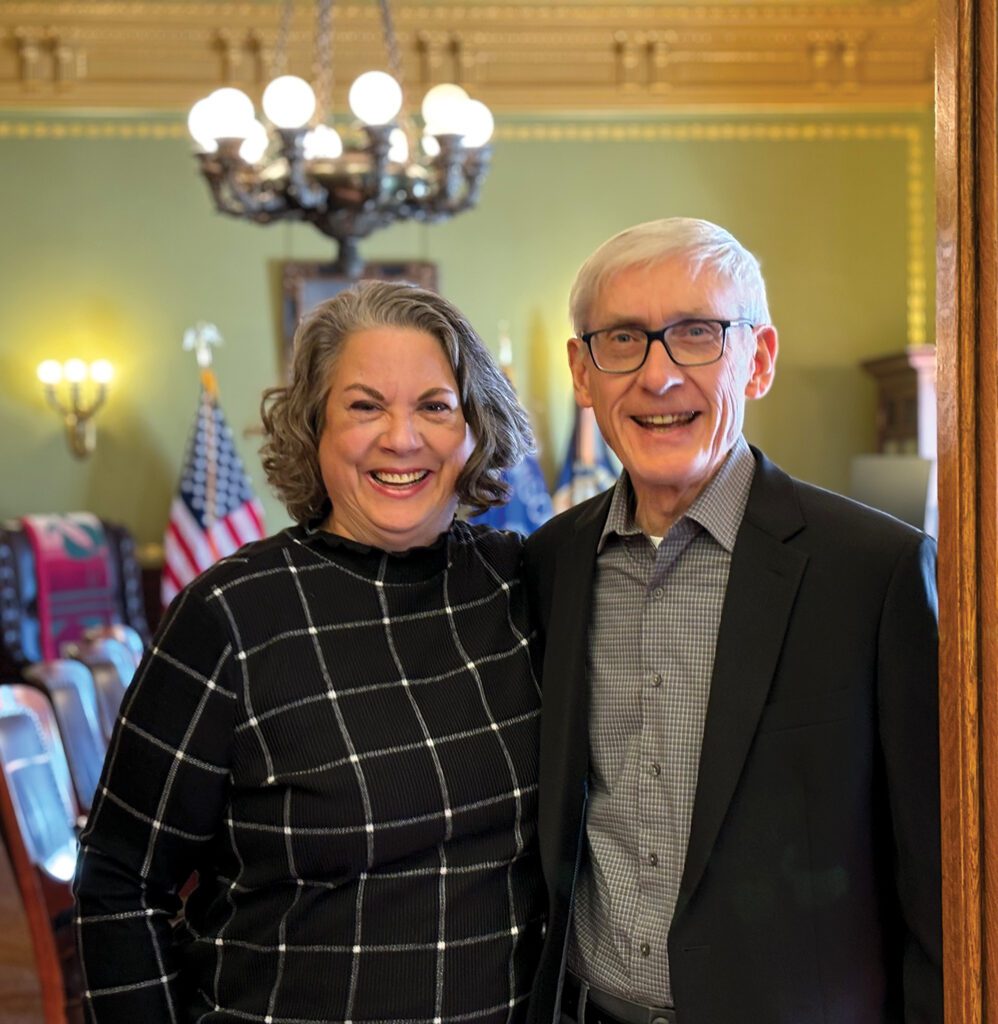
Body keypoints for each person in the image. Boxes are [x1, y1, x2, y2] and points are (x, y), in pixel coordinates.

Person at [74, 280, 545, 1023]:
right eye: (365, 406)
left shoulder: (524, 584)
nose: (402, 437)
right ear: (313, 428)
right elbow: (119, 885)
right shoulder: (230, 615)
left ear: (473, 429)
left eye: (434, 405)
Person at [523, 218, 941, 1024]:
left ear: (760, 361)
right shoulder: (549, 565)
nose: (658, 375)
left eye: (697, 335)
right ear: (582, 371)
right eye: (622, 340)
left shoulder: (874, 571)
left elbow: (936, 876)